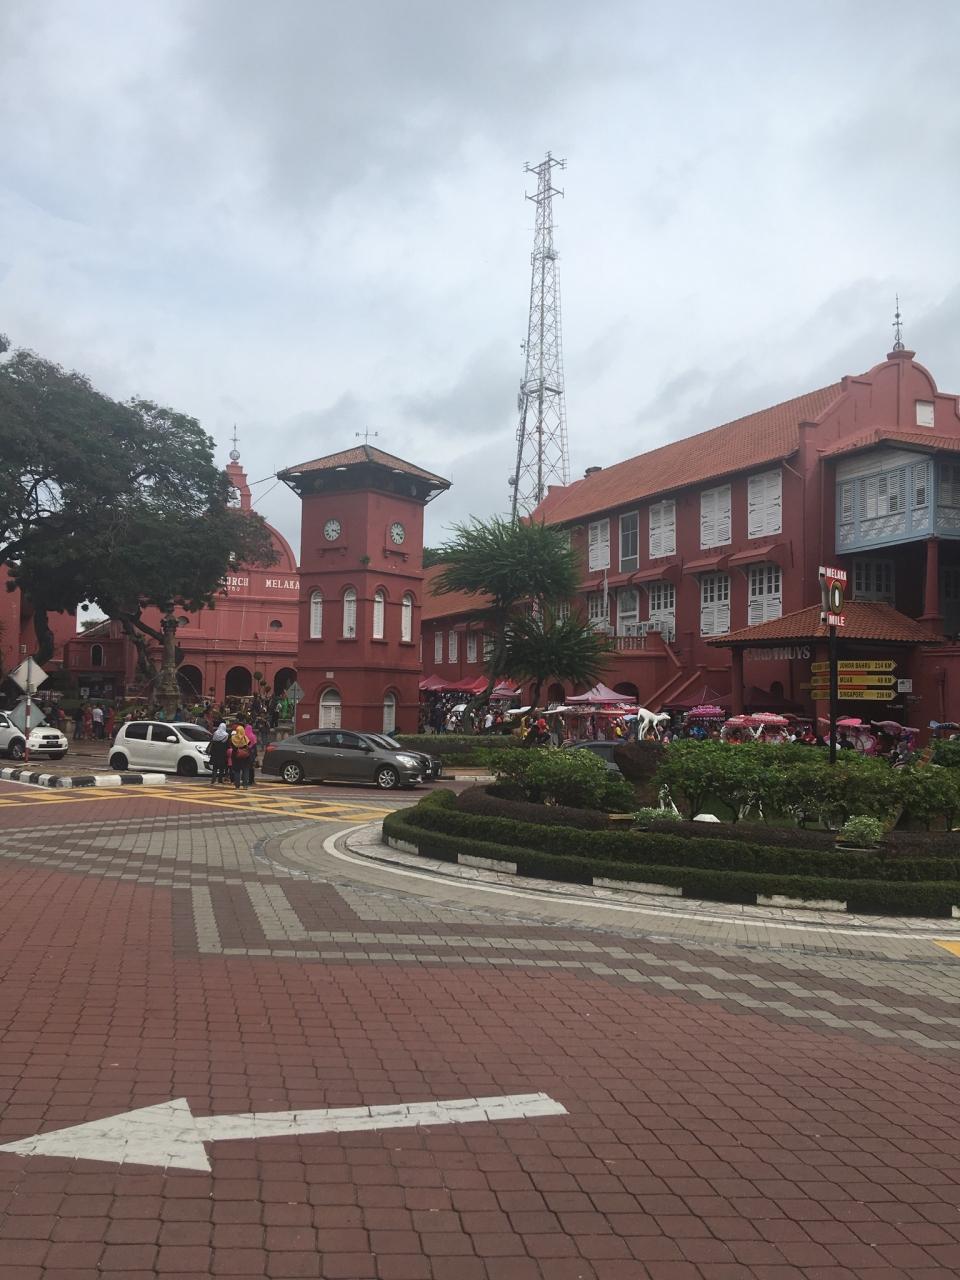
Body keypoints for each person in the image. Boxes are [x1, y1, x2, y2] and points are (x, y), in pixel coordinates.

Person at [228, 723, 250, 788]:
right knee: (245, 770)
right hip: (245, 756)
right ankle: (245, 785)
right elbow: (249, 744)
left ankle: (237, 785)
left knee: (237, 771)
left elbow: (230, 745)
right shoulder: (245, 738)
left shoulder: (233, 738)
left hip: (236, 755)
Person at [208, 720, 229, 785]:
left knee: (215, 767)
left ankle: (213, 780)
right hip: (222, 753)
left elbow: (212, 741)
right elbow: (227, 745)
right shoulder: (226, 735)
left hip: (215, 752)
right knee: (222, 767)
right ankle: (220, 780)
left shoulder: (215, 733)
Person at [243, 722, 258, 788]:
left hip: (245, 752)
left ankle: (245, 780)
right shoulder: (253, 736)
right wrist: (255, 755)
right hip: (252, 754)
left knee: (245, 767)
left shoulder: (244, 736)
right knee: (251, 768)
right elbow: (255, 746)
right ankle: (251, 780)